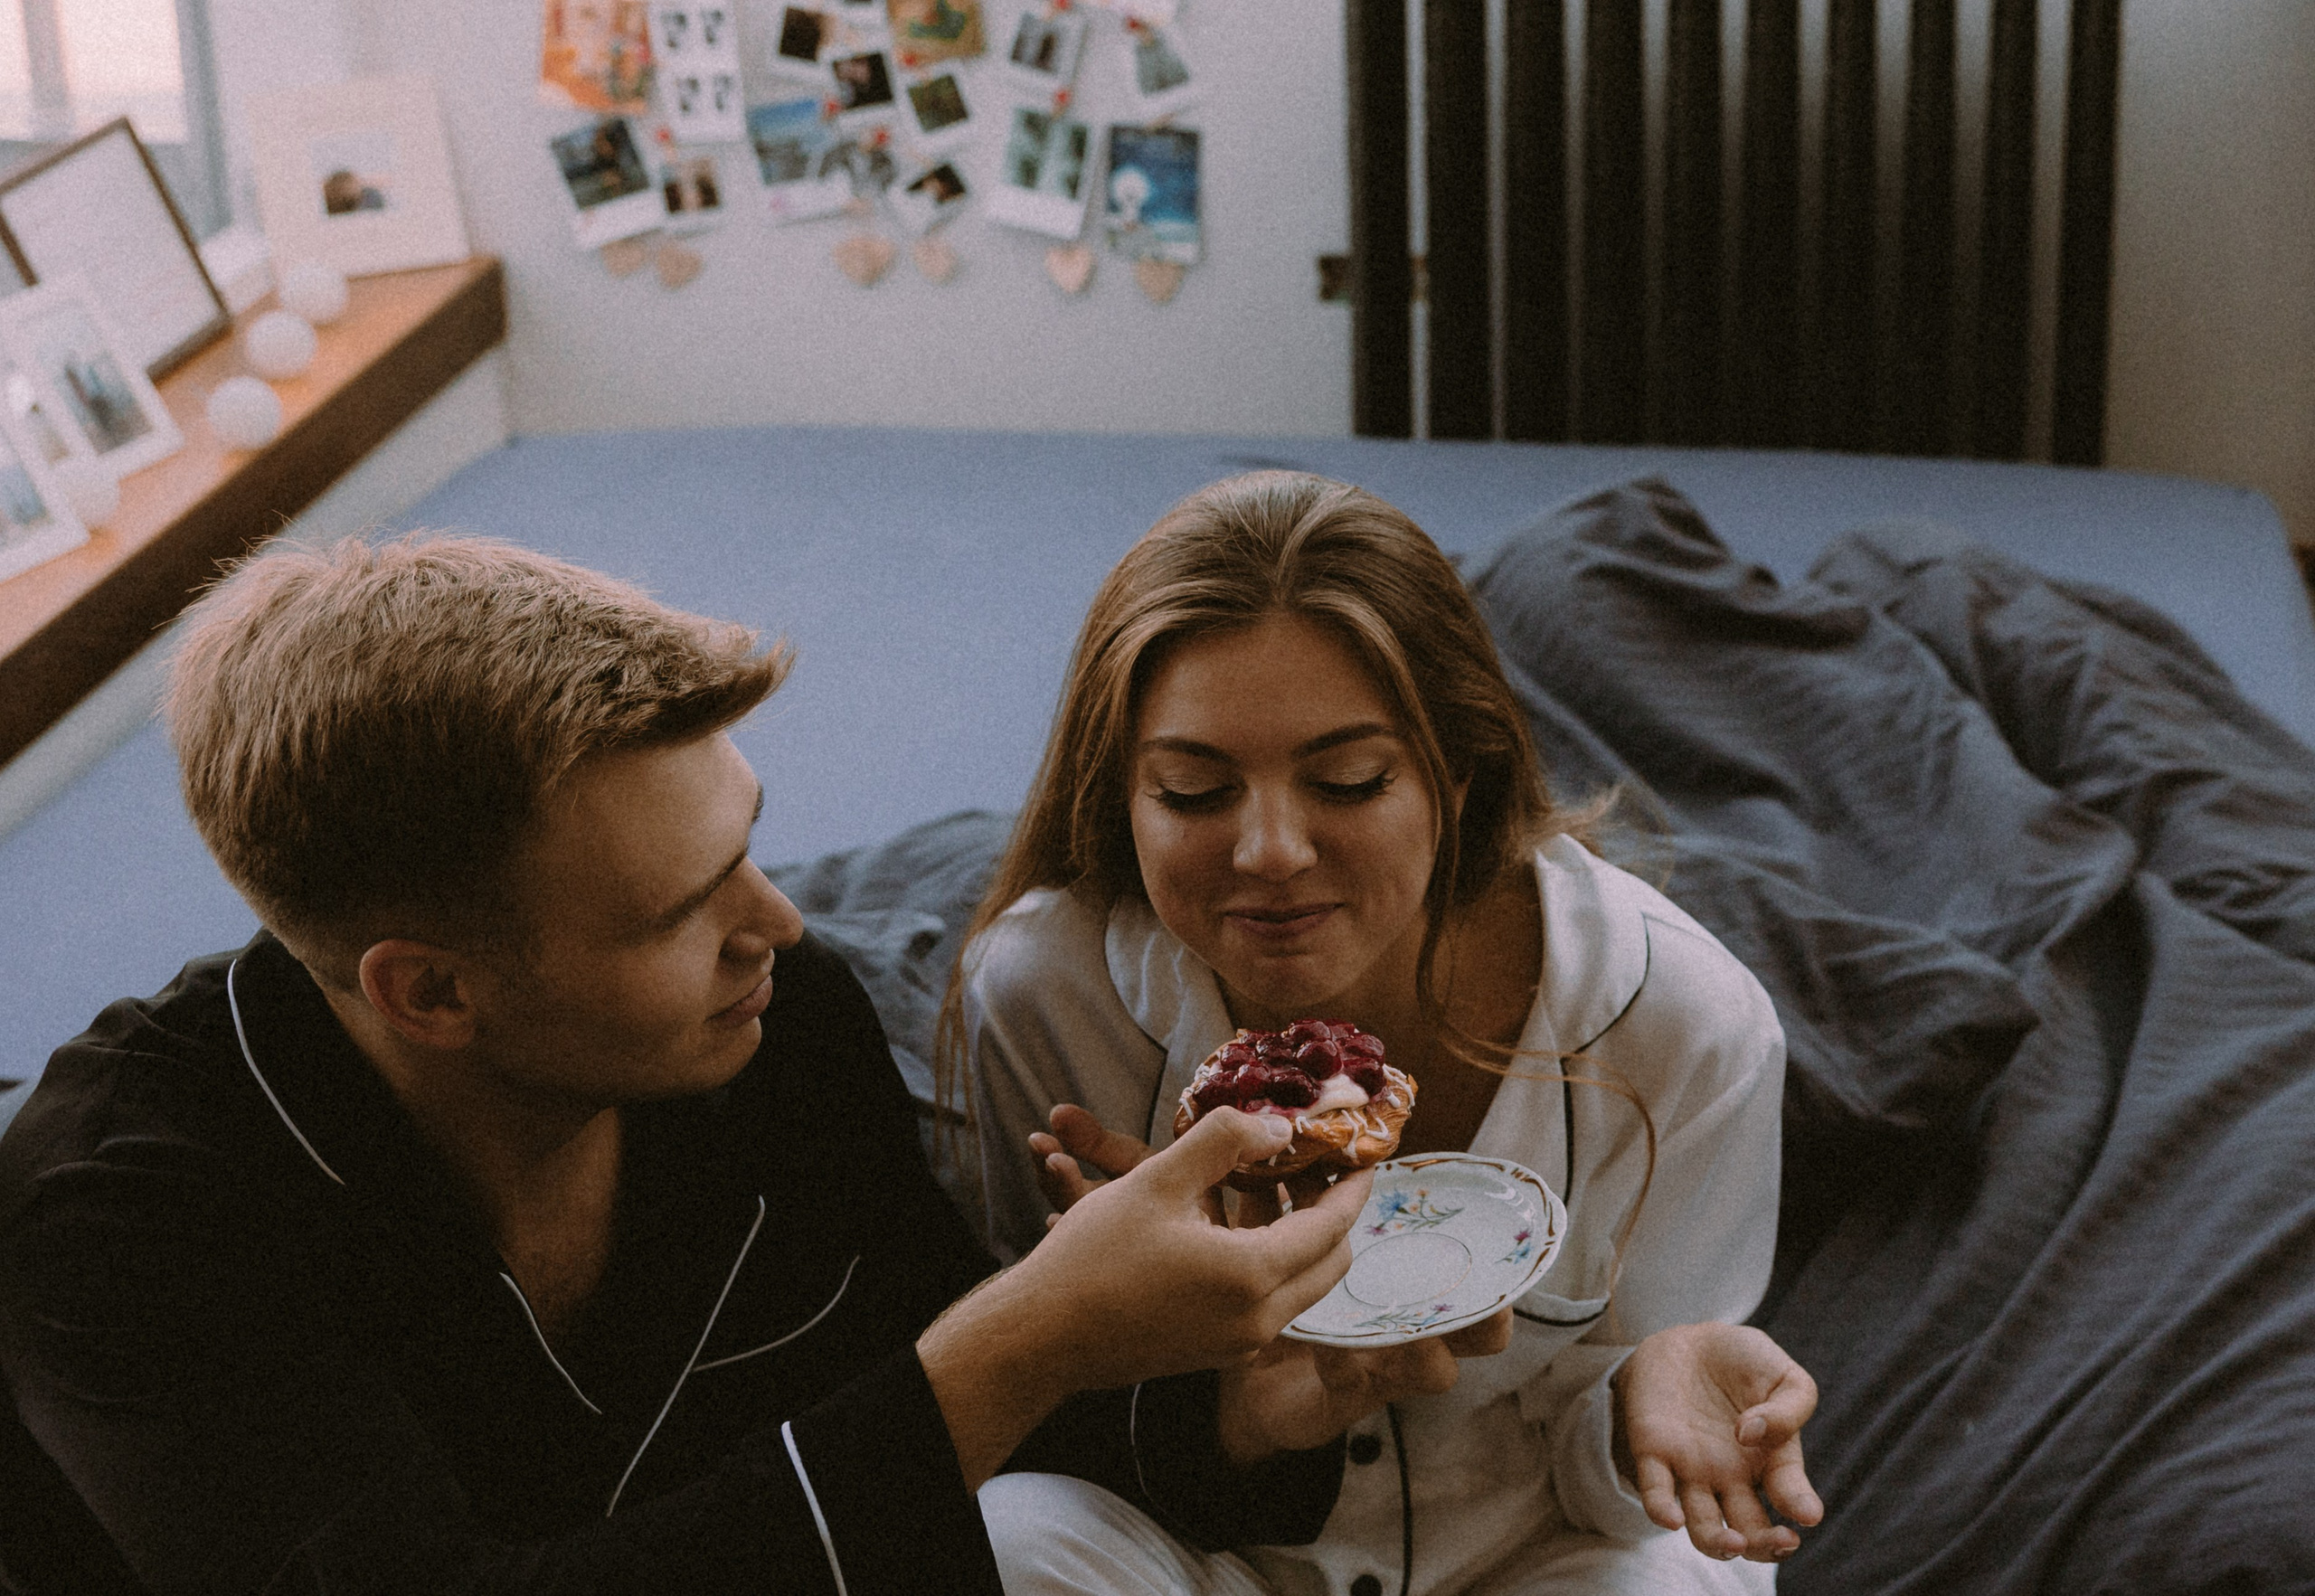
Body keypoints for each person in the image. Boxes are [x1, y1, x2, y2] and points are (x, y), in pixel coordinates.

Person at [0, 533, 1427, 1592]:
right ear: (431, 991)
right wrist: (1028, 1333)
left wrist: (1236, 1415)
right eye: (683, 910)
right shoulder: (120, 1231)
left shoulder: (779, 1025)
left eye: (748, 845)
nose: (779, 923)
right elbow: (951, 1391)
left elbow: (937, 1405)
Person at [953, 472, 1826, 1595]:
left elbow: (1629, 1484)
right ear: (1120, 792)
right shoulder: (1044, 995)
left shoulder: (1682, 1024)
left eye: (1348, 781)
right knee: (1006, 1538)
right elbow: (1032, 1407)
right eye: (1194, 790)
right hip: (1211, 1554)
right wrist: (1211, 1389)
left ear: (1455, 775)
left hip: (1543, 1555)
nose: (1271, 851)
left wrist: (1635, 1414)